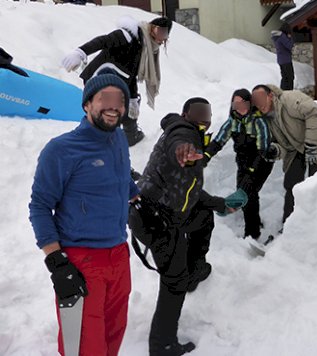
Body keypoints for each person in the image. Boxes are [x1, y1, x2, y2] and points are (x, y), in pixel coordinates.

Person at [29, 68, 138, 356]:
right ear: (87, 104)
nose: (114, 106)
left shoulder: (118, 140)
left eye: (120, 100)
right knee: (84, 347)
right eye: (105, 98)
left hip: (119, 255)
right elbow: (40, 205)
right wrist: (56, 261)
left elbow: (122, 178)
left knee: (113, 337)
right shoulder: (61, 150)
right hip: (82, 260)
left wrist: (138, 199)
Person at [129, 98, 242, 356]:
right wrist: (183, 148)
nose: (205, 117)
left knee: (204, 217)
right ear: (185, 114)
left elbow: (190, 190)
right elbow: (178, 143)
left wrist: (219, 204)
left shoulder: (194, 137)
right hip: (155, 218)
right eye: (199, 112)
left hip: (171, 210)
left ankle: (195, 270)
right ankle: (162, 345)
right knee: (174, 282)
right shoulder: (182, 133)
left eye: (208, 113)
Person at [62, 16, 173, 146]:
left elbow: (131, 75)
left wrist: (132, 99)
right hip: (100, 79)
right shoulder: (130, 35)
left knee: (127, 107)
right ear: (151, 27)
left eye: (165, 33)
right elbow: (103, 41)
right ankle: (95, 143)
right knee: (105, 112)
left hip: (119, 82)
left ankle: (131, 135)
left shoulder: (144, 48)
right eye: (159, 30)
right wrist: (80, 53)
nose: (161, 36)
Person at [251, 84, 317, 227]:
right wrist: (275, 151)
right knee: (291, 183)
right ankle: (289, 226)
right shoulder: (267, 120)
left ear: (270, 95)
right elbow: (284, 146)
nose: (259, 104)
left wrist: (311, 145)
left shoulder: (288, 99)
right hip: (296, 150)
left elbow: (314, 113)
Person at [203, 89, 274, 240]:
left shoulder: (259, 121)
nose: (240, 107)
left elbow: (263, 150)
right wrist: (206, 156)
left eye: (244, 103)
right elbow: (218, 141)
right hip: (242, 162)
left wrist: (251, 171)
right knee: (243, 192)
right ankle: (254, 222)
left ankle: (252, 233)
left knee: (248, 192)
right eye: (237, 103)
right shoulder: (232, 121)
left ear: (250, 104)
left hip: (261, 162)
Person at [271, 23, 295, 90]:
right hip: (286, 60)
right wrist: (290, 38)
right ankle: (289, 93)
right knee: (290, 77)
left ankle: (283, 92)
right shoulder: (282, 36)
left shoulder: (277, 37)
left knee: (285, 77)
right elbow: (290, 46)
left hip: (281, 60)